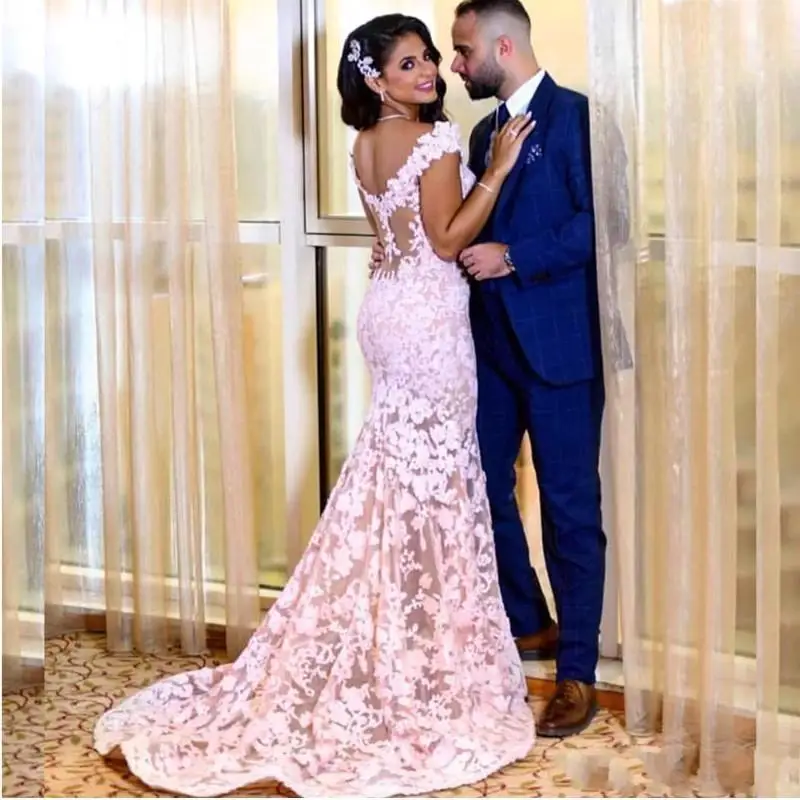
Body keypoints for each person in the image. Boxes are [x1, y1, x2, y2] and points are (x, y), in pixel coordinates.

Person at [93, 14, 537, 798]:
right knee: (433, 485)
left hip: (388, 311)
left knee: (396, 480)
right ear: (375, 78)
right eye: (409, 63)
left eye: (429, 58)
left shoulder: (363, 144)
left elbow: (392, 239)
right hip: (429, 325)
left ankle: (405, 645)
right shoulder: (434, 140)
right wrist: (495, 170)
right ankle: (424, 662)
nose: (428, 72)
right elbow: (444, 241)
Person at [370, 0, 607, 739]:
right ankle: (528, 618)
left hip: (562, 351)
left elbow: (606, 225)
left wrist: (516, 257)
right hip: (487, 349)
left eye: (463, 50)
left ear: (503, 47)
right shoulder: (478, 132)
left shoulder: (579, 118)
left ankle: (577, 674)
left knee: (570, 512)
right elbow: (453, 224)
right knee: (477, 486)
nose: (454, 66)